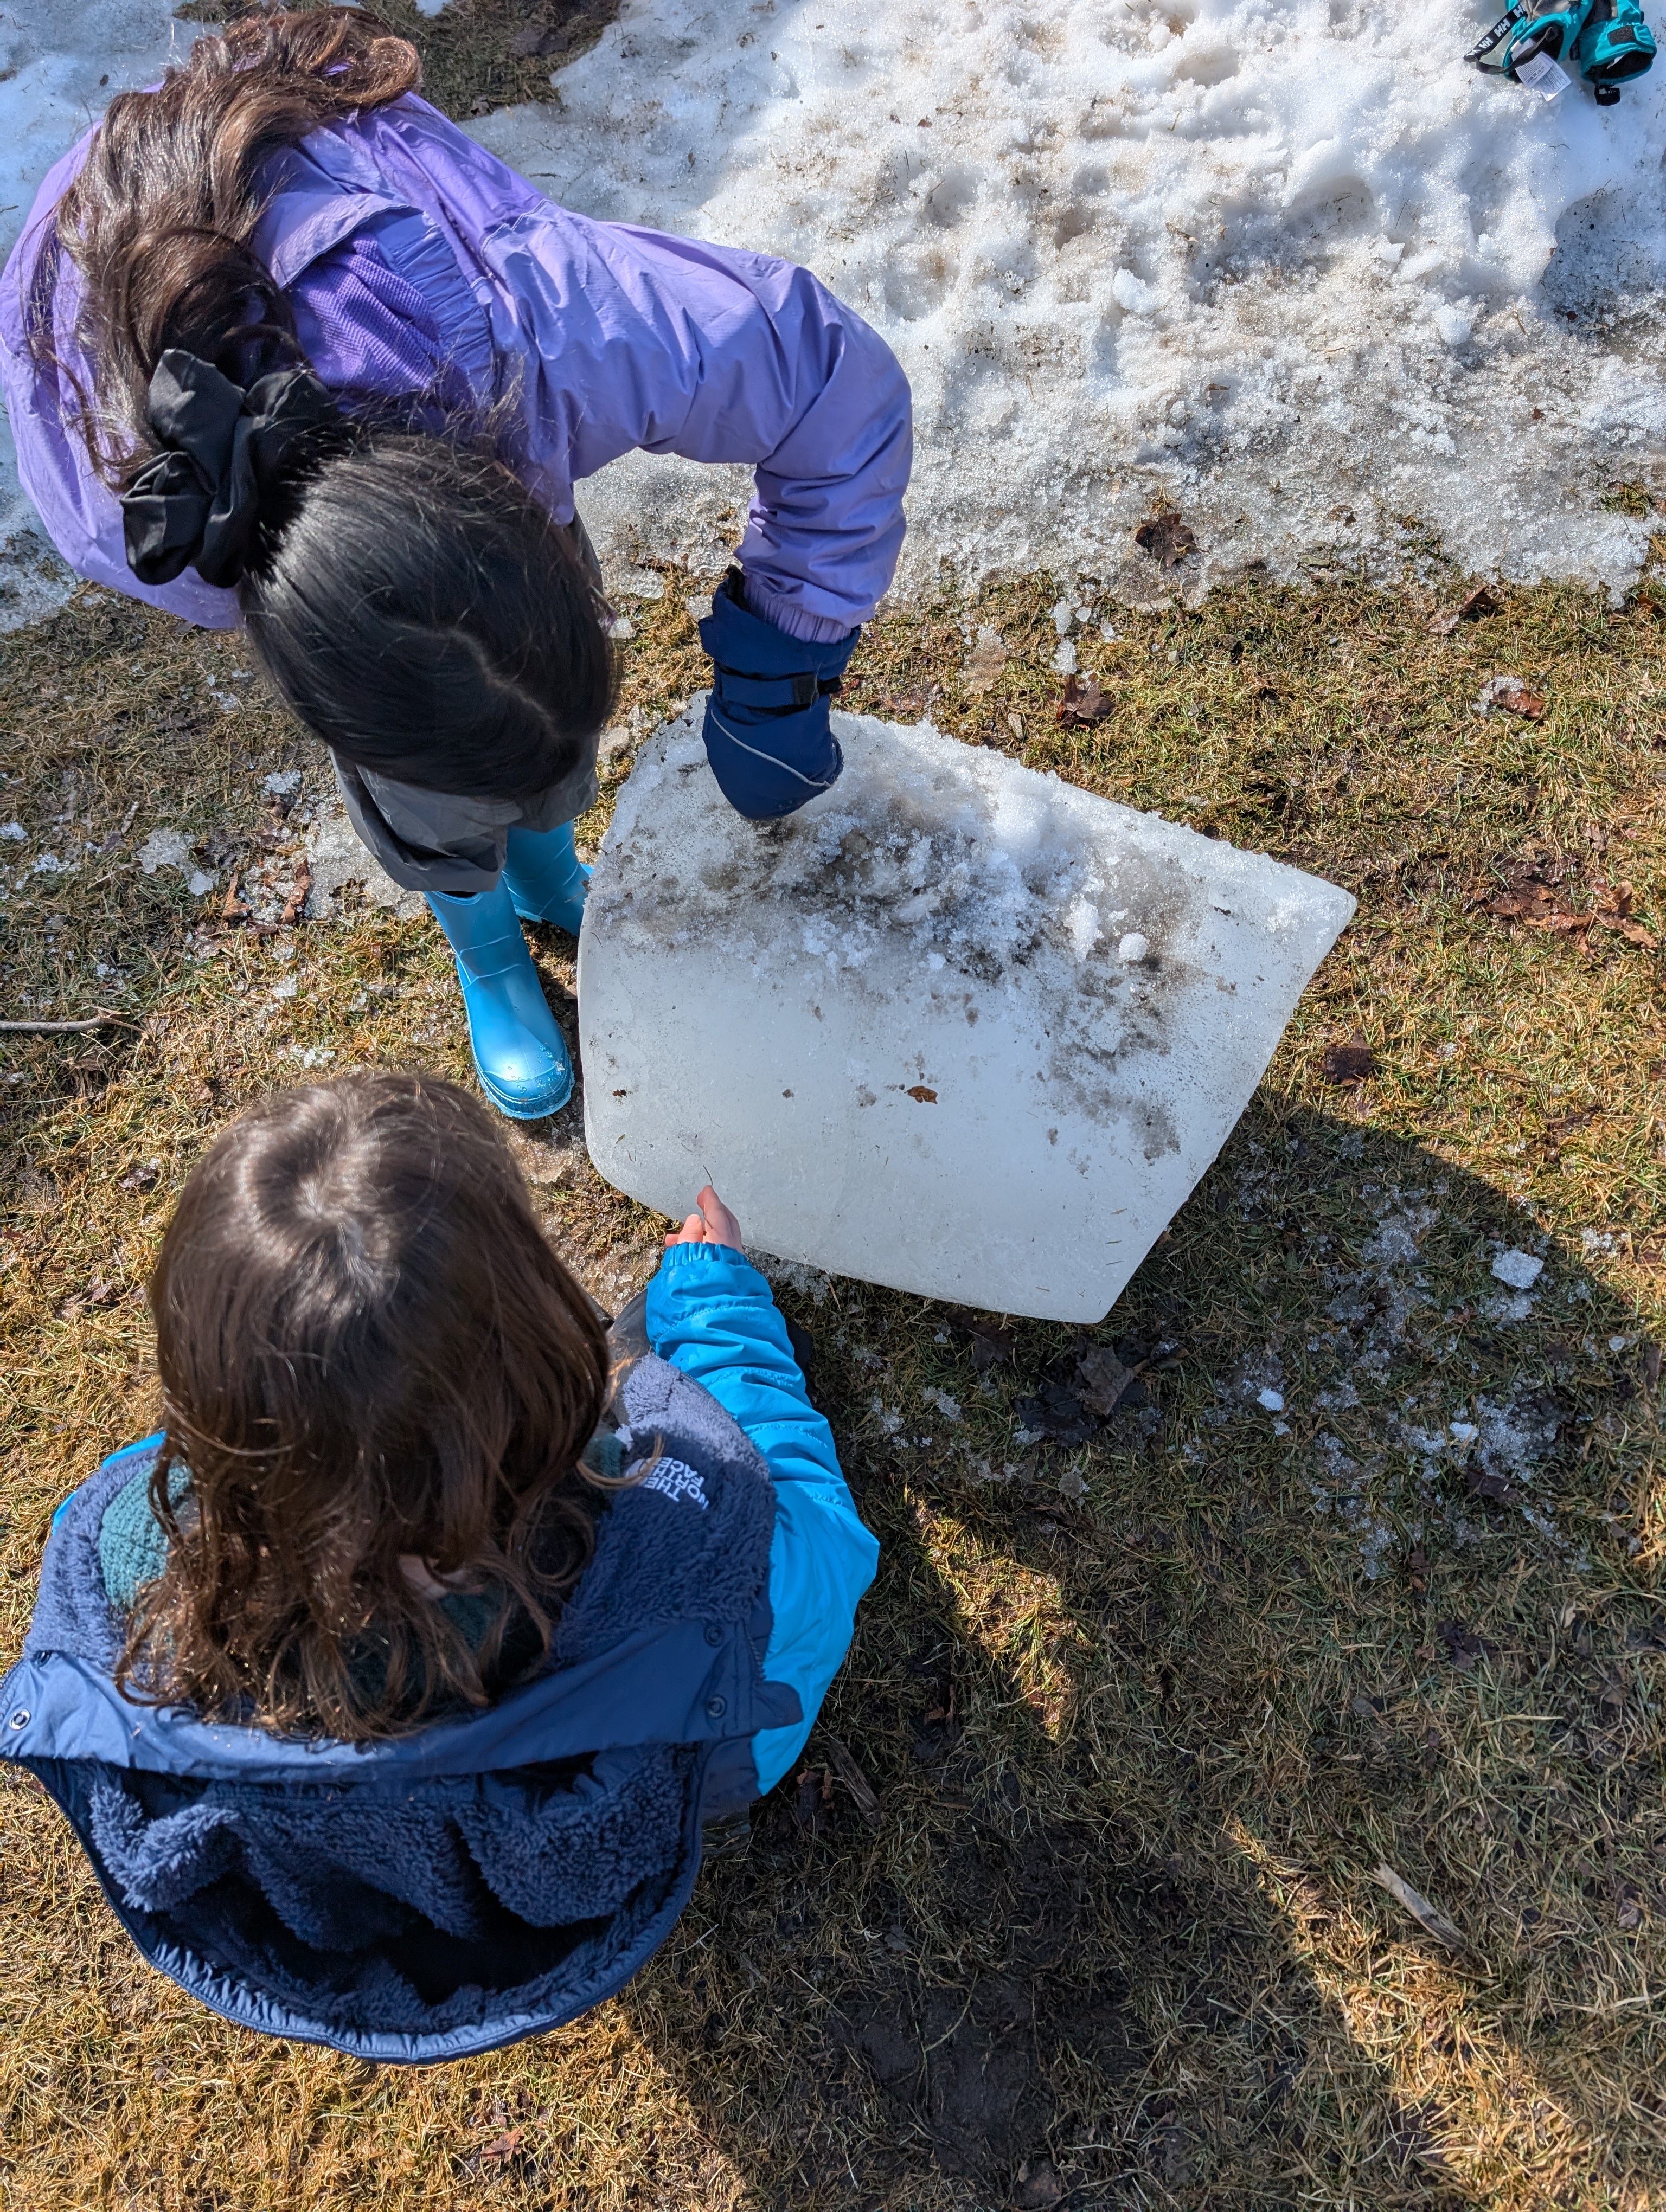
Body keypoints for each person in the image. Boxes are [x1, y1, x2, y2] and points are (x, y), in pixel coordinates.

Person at [0, 9, 911, 1120]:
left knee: (520, 714)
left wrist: (786, 661)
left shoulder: (550, 331)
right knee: (425, 774)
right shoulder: (135, 522)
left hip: (332, 198)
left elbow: (824, 378)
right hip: (127, 275)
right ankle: (483, 943)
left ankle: (543, 860)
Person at [0, 1073, 877, 2060]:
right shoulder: (681, 1563)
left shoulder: (122, 1550)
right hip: (671, 1765)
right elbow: (818, 1559)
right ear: (541, 1363)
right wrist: (719, 1314)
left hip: (392, 1864)